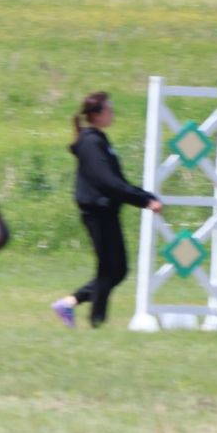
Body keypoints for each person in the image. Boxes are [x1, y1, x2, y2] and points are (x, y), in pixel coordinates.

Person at [51, 91, 162, 329]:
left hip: (106, 210)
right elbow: (108, 182)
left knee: (115, 269)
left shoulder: (99, 140)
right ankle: (92, 319)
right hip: (97, 212)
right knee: (111, 269)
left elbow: (115, 181)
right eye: (109, 109)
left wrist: (144, 196)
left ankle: (75, 306)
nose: (113, 113)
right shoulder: (91, 143)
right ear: (98, 115)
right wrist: (144, 201)